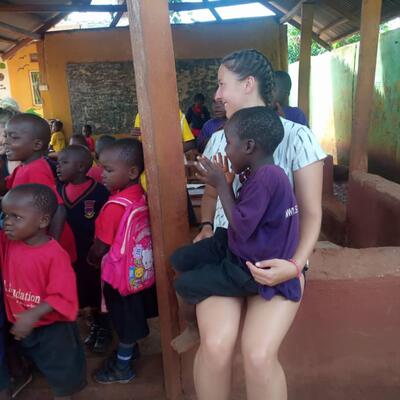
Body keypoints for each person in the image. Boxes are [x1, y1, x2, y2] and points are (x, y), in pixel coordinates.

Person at [189, 49, 326, 400]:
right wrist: (206, 225)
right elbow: (211, 194)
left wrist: (294, 265)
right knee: (216, 345)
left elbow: (312, 213)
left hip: (277, 260)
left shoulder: (298, 137)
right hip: (226, 253)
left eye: (222, 84)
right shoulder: (219, 137)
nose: (217, 95)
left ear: (248, 84)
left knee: (259, 355)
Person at [171, 106, 301, 351]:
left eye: (229, 143)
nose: (226, 151)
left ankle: (193, 328)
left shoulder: (267, 178)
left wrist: (221, 185)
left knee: (183, 285)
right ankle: (207, 280)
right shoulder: (262, 174)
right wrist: (228, 183)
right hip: (241, 246)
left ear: (249, 146)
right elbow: (244, 219)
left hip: (250, 268)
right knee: (179, 258)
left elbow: (241, 226)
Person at [1, 184, 86, 399]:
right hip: (25, 325)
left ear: (43, 221)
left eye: (16, 217)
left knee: (62, 373)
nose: (7, 222)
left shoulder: (54, 255)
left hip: (53, 330)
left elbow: (62, 295)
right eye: (5, 215)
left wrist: (33, 314)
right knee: (38, 360)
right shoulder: (10, 242)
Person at [88, 138, 157, 384]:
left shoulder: (114, 206)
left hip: (117, 277)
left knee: (124, 321)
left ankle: (122, 367)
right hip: (137, 271)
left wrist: (91, 258)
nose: (102, 175)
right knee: (132, 315)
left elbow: (101, 246)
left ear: (132, 172)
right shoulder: (140, 195)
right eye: (101, 168)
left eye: (108, 170)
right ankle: (129, 352)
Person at [0, 113, 77, 263]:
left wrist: (50, 246)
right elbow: (4, 189)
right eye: (5, 136)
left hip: (49, 247)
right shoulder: (23, 168)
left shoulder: (36, 170)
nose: (6, 142)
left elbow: (58, 209)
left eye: (13, 138)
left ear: (36, 145)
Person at [57, 145, 112, 353]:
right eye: (58, 162)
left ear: (81, 167)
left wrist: (99, 250)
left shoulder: (99, 192)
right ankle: (95, 325)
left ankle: (105, 328)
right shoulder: (58, 190)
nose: (58, 167)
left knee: (98, 292)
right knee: (82, 293)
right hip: (70, 256)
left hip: (93, 256)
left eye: (64, 162)